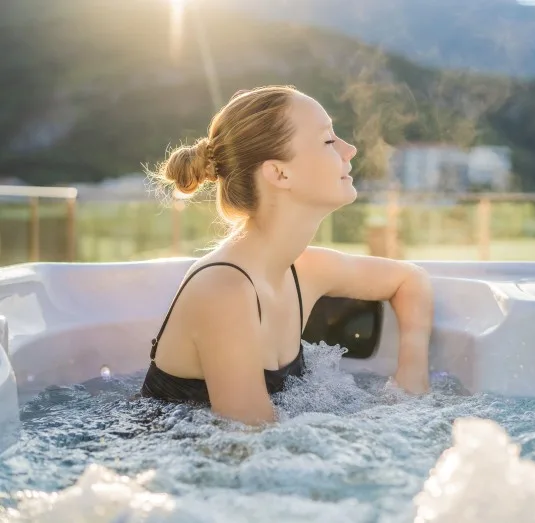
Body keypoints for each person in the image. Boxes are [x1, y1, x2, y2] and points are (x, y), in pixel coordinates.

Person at [140, 85, 434, 426]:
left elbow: (410, 279)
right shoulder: (224, 290)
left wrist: (411, 379)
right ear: (280, 173)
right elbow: (251, 440)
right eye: (328, 141)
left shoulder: (304, 270)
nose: (349, 150)